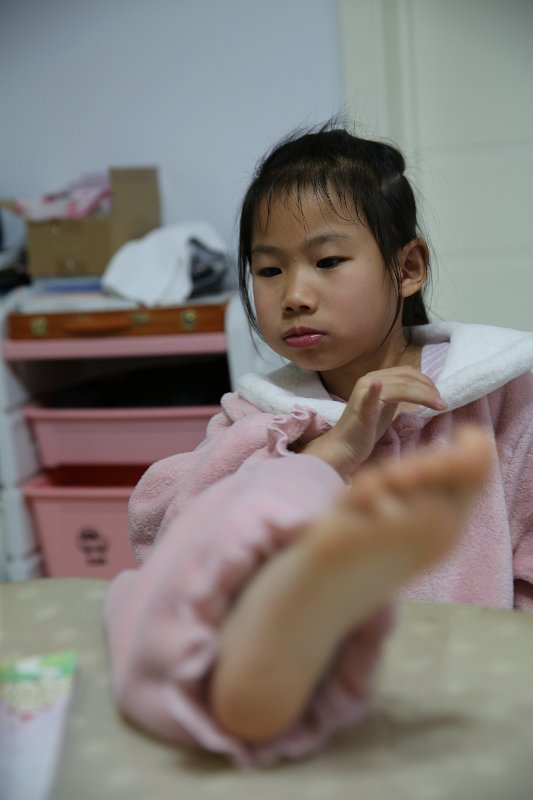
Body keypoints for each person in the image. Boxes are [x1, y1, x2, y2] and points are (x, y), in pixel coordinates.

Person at [106, 122, 533, 768]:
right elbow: (174, 546)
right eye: (268, 270)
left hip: (469, 699)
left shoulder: (498, 394)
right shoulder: (260, 417)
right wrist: (331, 454)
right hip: (318, 709)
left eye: (328, 262)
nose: (295, 296)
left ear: (407, 268)